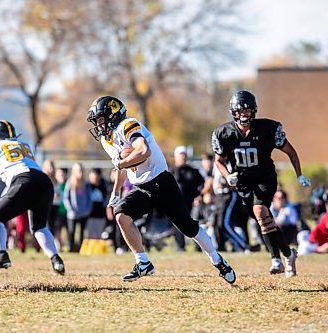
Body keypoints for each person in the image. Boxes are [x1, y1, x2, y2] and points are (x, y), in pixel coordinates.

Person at [87, 95, 235, 283]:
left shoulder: (127, 125)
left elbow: (143, 151)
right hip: (141, 187)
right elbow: (120, 168)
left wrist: (123, 161)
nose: (99, 125)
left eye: (100, 119)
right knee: (121, 214)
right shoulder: (106, 141)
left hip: (161, 182)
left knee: (189, 228)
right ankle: (143, 262)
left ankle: (217, 260)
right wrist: (116, 192)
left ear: (113, 115)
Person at [211, 90, 311, 277]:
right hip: (243, 184)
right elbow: (219, 160)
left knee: (260, 212)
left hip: (265, 179)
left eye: (247, 110)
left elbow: (291, 152)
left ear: (254, 111)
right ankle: (289, 255)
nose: (244, 114)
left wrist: (299, 175)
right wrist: (227, 175)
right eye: (240, 111)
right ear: (233, 112)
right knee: (265, 221)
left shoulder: (267, 129)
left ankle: (276, 260)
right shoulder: (224, 133)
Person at [0, 120, 65, 275]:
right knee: (39, 226)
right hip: (44, 182)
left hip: (23, 180)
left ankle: (0, 256)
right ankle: (56, 260)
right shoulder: (24, 144)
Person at [169, 146, 205, 251]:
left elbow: (202, 185)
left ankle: (198, 247)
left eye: (184, 155)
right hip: (177, 203)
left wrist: (200, 195)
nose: (183, 158)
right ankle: (180, 247)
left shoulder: (193, 171)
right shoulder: (170, 171)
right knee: (178, 225)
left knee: (194, 224)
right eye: (180, 155)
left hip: (192, 204)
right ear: (175, 157)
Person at [63, 163, 92, 252]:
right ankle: (72, 248)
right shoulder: (70, 182)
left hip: (84, 212)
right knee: (71, 232)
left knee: (82, 232)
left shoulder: (86, 184)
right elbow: (66, 198)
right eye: (78, 171)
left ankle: (80, 249)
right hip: (73, 214)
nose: (80, 173)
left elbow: (89, 198)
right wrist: (70, 209)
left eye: (81, 171)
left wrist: (88, 209)